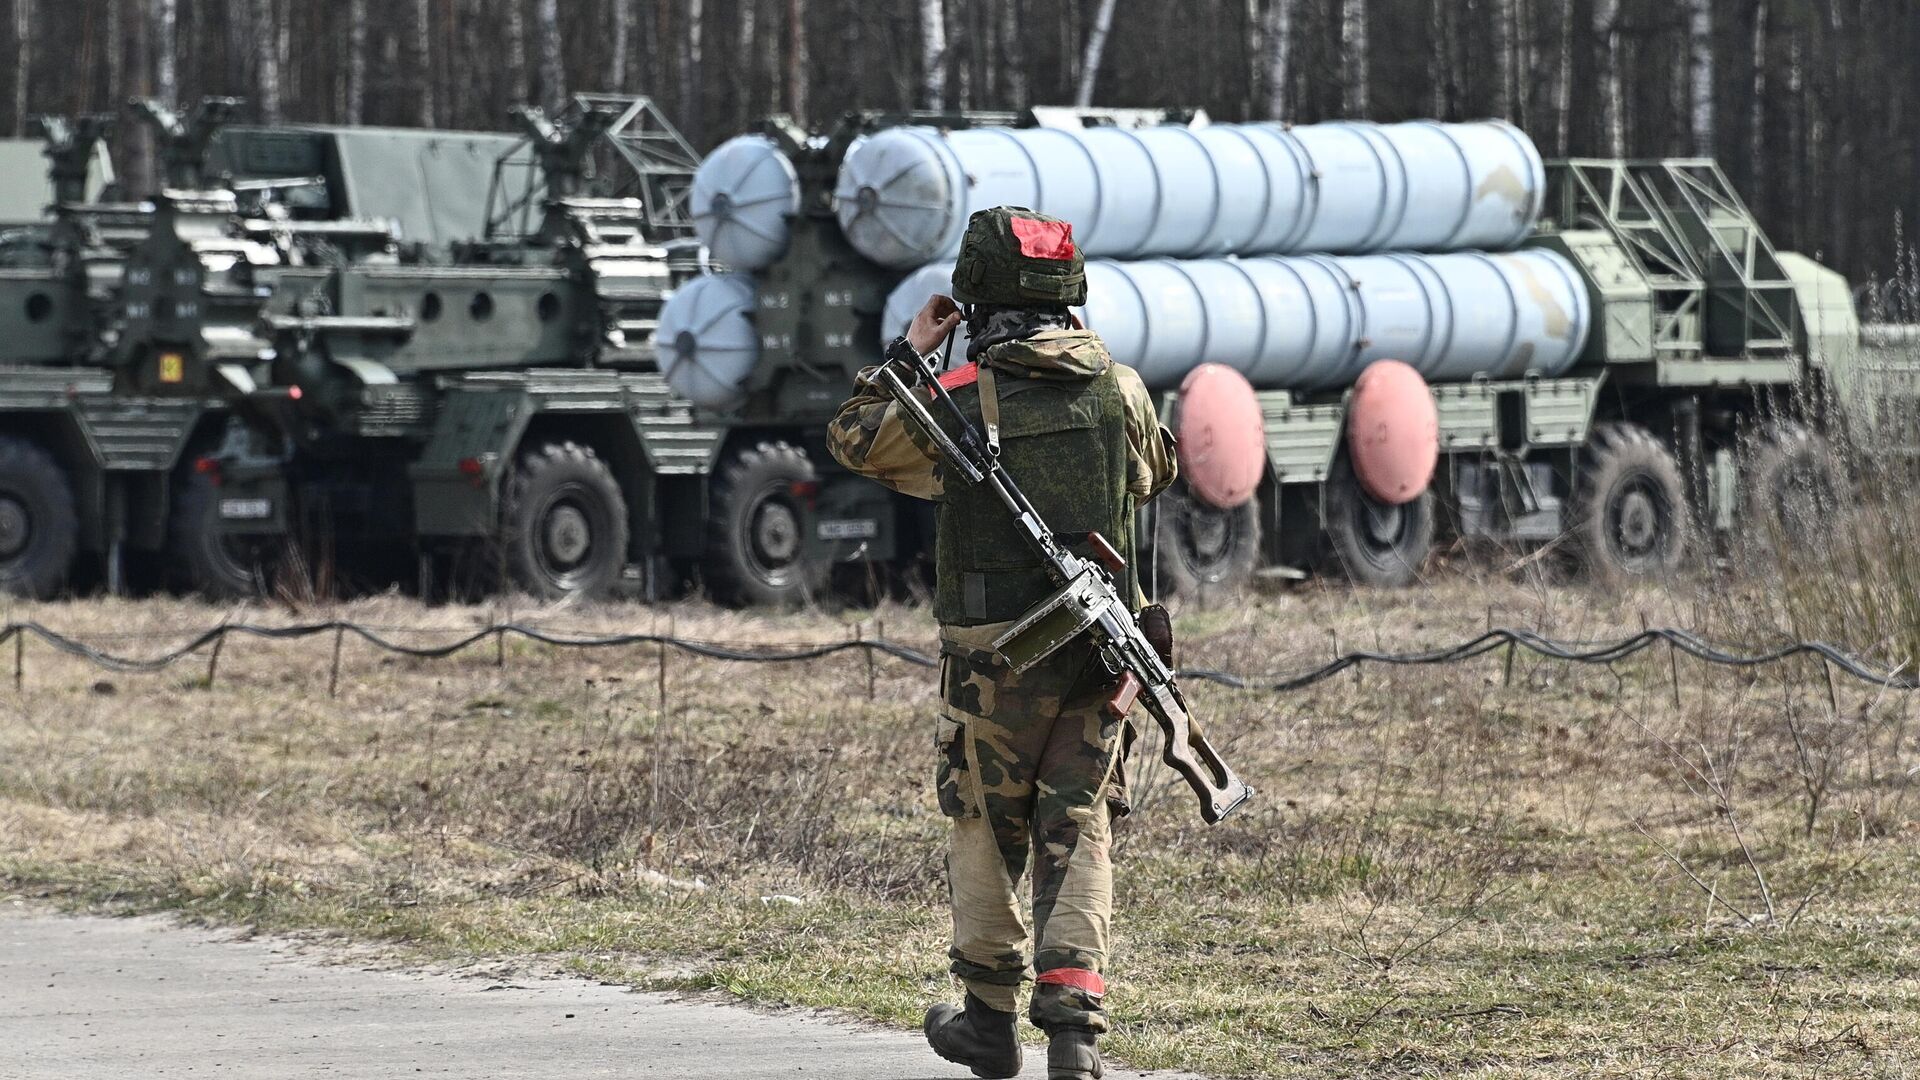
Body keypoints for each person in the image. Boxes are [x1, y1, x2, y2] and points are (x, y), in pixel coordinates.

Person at [827, 206, 1178, 1080]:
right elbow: (1156, 468)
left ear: (976, 302)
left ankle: (988, 1022)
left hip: (992, 665)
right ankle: (1074, 1035)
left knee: (984, 826)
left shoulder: (952, 403)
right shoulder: (1122, 390)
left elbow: (853, 439)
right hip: (1100, 660)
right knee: (1081, 824)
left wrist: (910, 354)